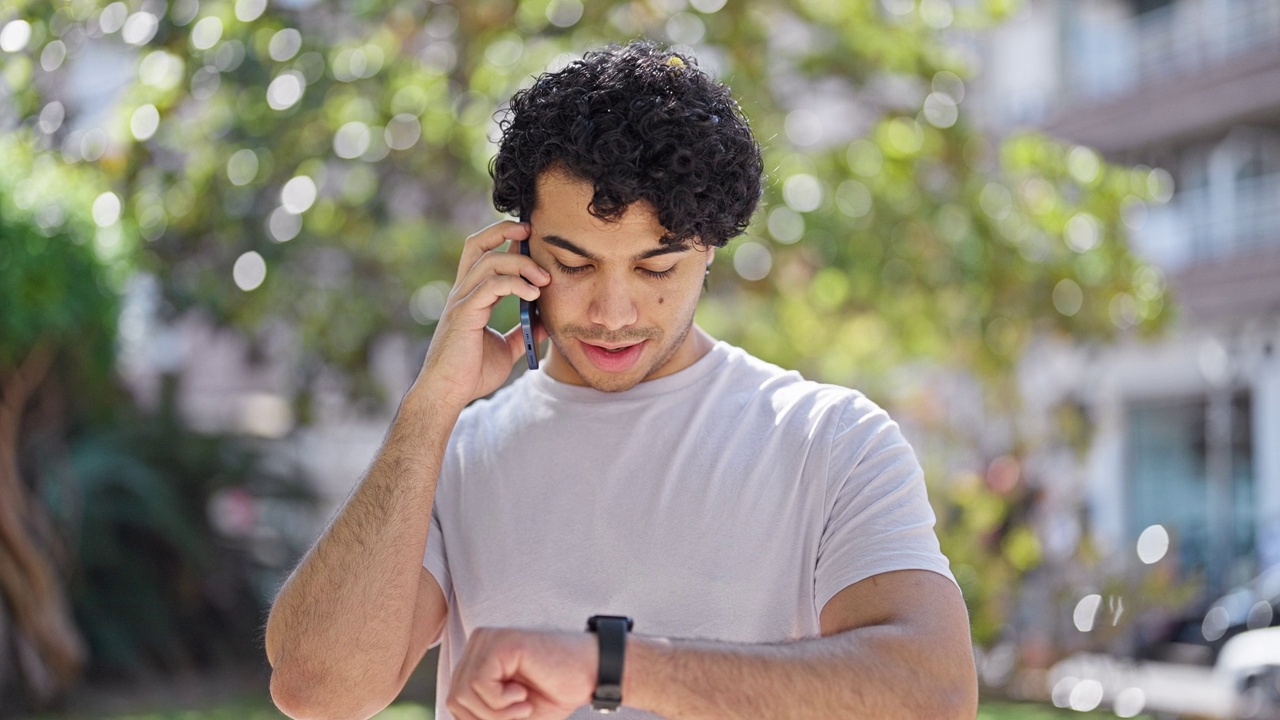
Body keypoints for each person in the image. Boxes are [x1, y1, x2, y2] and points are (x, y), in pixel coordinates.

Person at [265, 40, 977, 720]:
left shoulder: (831, 441)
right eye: (573, 265)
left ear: (710, 252)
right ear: (517, 248)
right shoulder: (455, 453)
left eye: (655, 268)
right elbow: (316, 689)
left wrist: (609, 668)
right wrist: (430, 407)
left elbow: (933, 697)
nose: (612, 313)